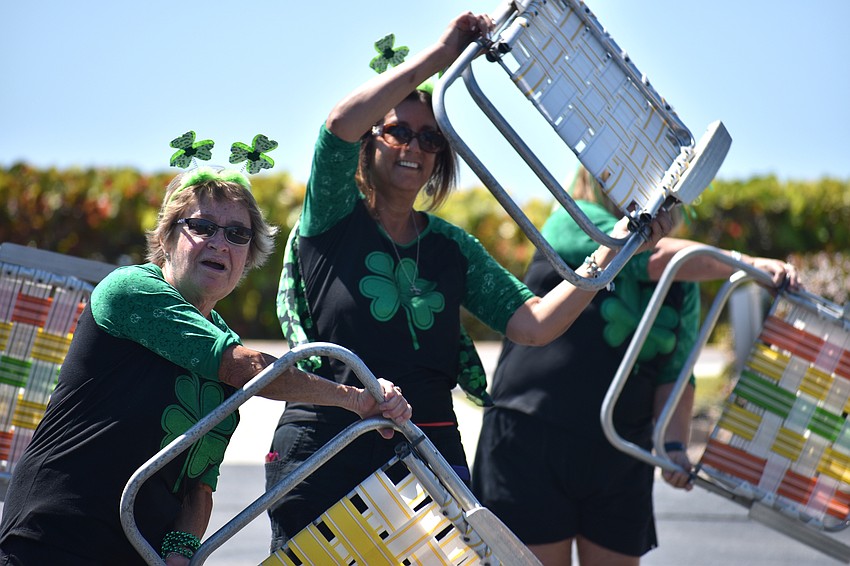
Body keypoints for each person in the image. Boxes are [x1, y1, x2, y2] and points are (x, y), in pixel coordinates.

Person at [266, 12, 674, 552]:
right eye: (399, 131)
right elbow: (338, 125)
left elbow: (533, 324)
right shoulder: (333, 220)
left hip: (426, 451)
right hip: (325, 444)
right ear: (372, 142)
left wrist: (620, 247)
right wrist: (442, 54)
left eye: (431, 138)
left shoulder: (451, 247)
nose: (414, 147)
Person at [0, 166, 411, 566]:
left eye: (237, 234)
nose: (220, 243)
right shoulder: (131, 291)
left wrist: (180, 549)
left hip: (134, 554)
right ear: (167, 236)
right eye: (202, 226)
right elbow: (245, 370)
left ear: (249, 255)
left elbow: (199, 484)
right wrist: (359, 399)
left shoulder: (225, 345)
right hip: (51, 540)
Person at [472, 167, 802, 566]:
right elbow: (645, 253)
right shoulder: (571, 220)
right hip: (531, 440)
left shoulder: (684, 281)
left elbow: (675, 374)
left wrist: (675, 447)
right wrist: (746, 263)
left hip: (619, 452)